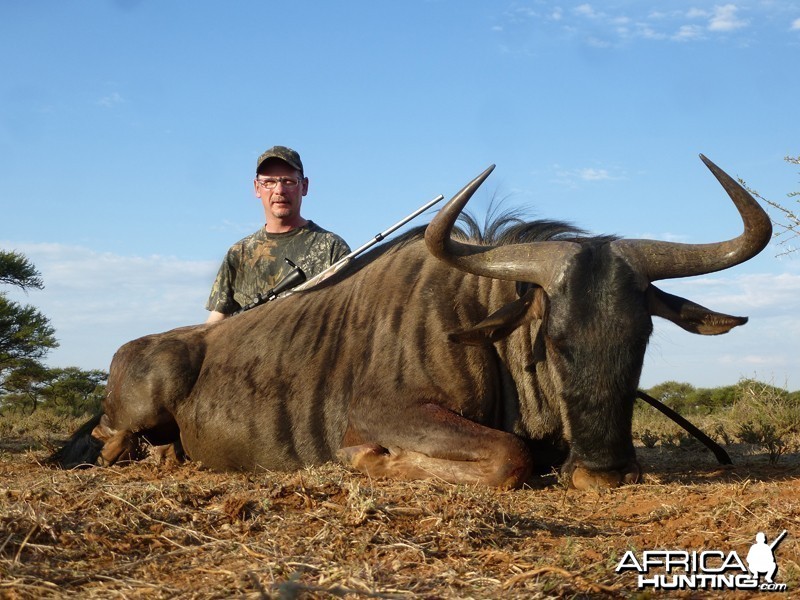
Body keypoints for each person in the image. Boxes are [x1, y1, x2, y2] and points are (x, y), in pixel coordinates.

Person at [205, 146, 351, 323]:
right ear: (257, 188)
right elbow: (217, 319)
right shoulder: (238, 253)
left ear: (304, 186)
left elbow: (348, 314)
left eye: (289, 181)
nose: (279, 190)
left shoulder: (332, 248)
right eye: (269, 182)